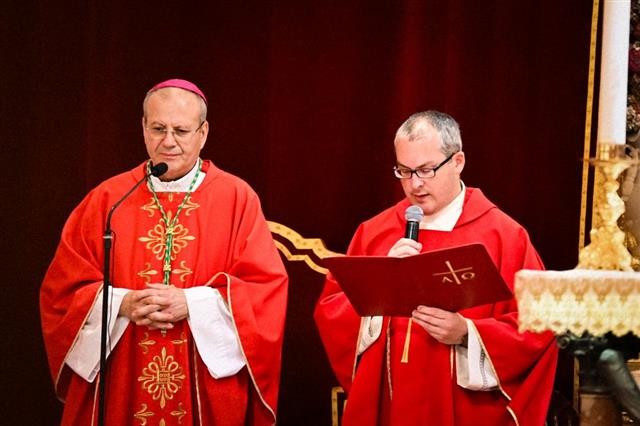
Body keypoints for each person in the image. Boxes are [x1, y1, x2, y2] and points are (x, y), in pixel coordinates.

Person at [40, 79, 288, 426]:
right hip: (124, 369)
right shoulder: (108, 199)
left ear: (203, 133)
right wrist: (122, 304)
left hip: (203, 378)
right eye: (158, 129)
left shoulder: (236, 198)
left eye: (181, 131)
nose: (168, 141)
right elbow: (61, 293)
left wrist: (192, 303)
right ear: (143, 128)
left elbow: (264, 291)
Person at [314, 111, 558, 425]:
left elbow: (539, 325)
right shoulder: (375, 233)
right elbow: (331, 310)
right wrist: (381, 282)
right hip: (390, 406)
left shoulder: (504, 237)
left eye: (426, 170)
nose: (415, 184)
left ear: (458, 161)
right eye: (404, 171)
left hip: (464, 411)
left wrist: (468, 333)